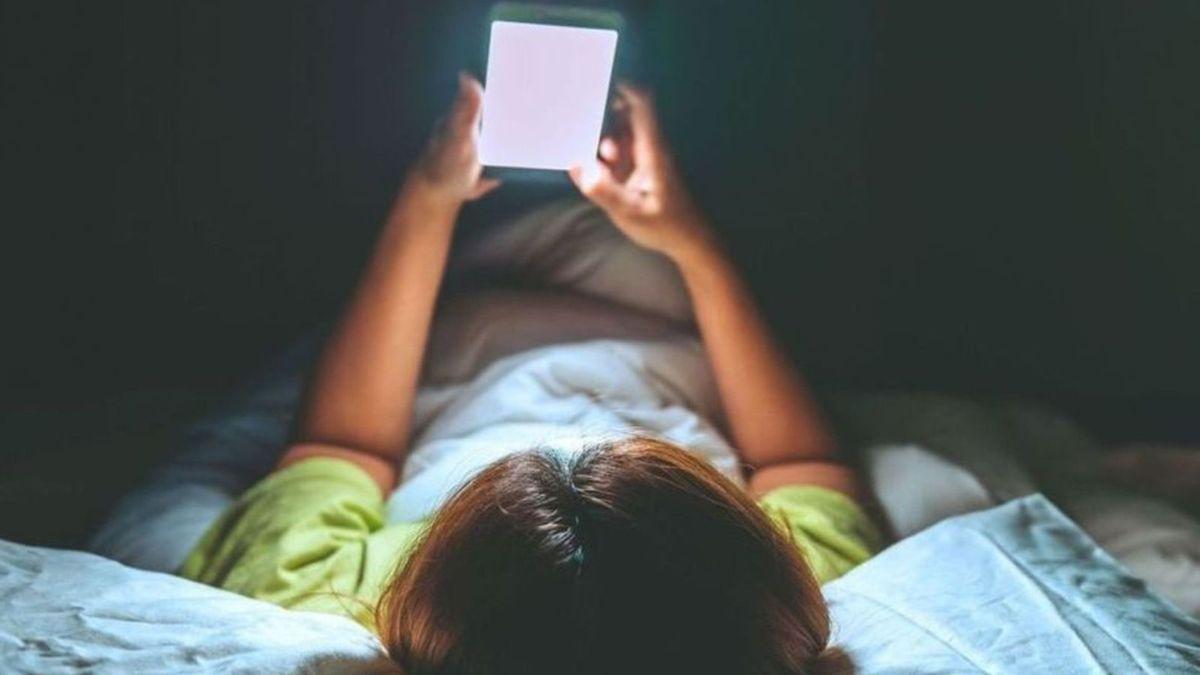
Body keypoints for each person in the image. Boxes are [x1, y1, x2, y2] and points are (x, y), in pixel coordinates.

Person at [180, 73, 882, 675]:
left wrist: (426, 200)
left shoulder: (321, 593)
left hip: (464, 330)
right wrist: (689, 242)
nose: (571, 451)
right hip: (658, 326)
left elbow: (344, 445)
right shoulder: (765, 599)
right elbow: (802, 458)